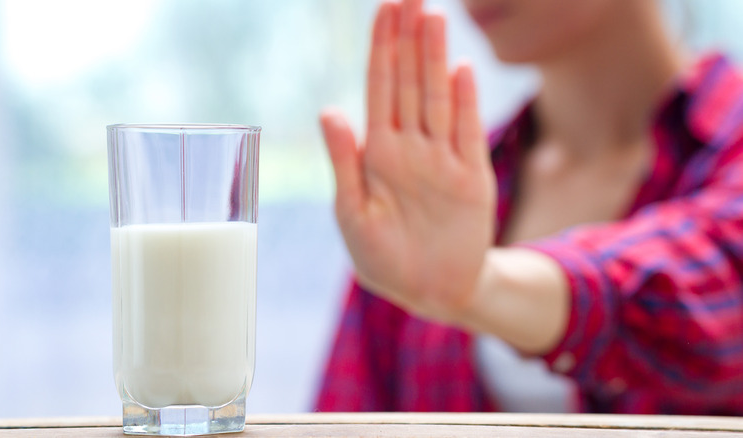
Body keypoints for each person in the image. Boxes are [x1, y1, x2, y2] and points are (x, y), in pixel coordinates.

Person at [315, 0, 743, 415]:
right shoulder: (434, 189)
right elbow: (345, 412)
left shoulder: (729, 145)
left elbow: (719, 292)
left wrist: (481, 286)